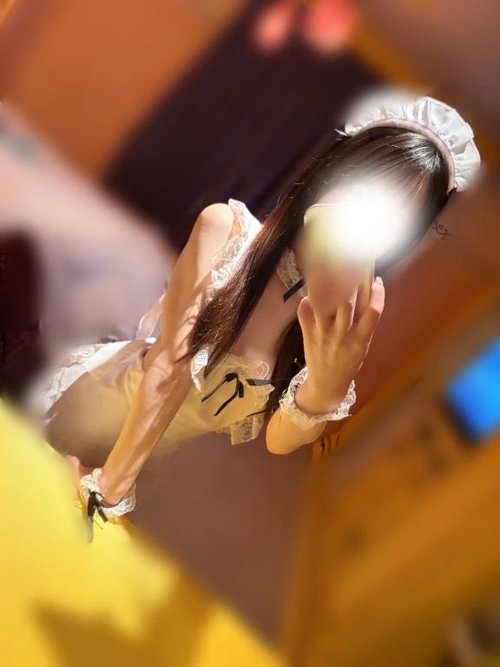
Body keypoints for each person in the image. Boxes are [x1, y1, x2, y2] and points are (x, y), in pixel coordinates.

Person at [33, 90, 480, 527]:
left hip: (131, 469)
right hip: (82, 416)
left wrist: (325, 388)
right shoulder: (226, 230)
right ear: (337, 170)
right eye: (372, 188)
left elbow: (278, 440)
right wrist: (109, 488)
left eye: (399, 218)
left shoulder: (338, 323)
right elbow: (170, 369)